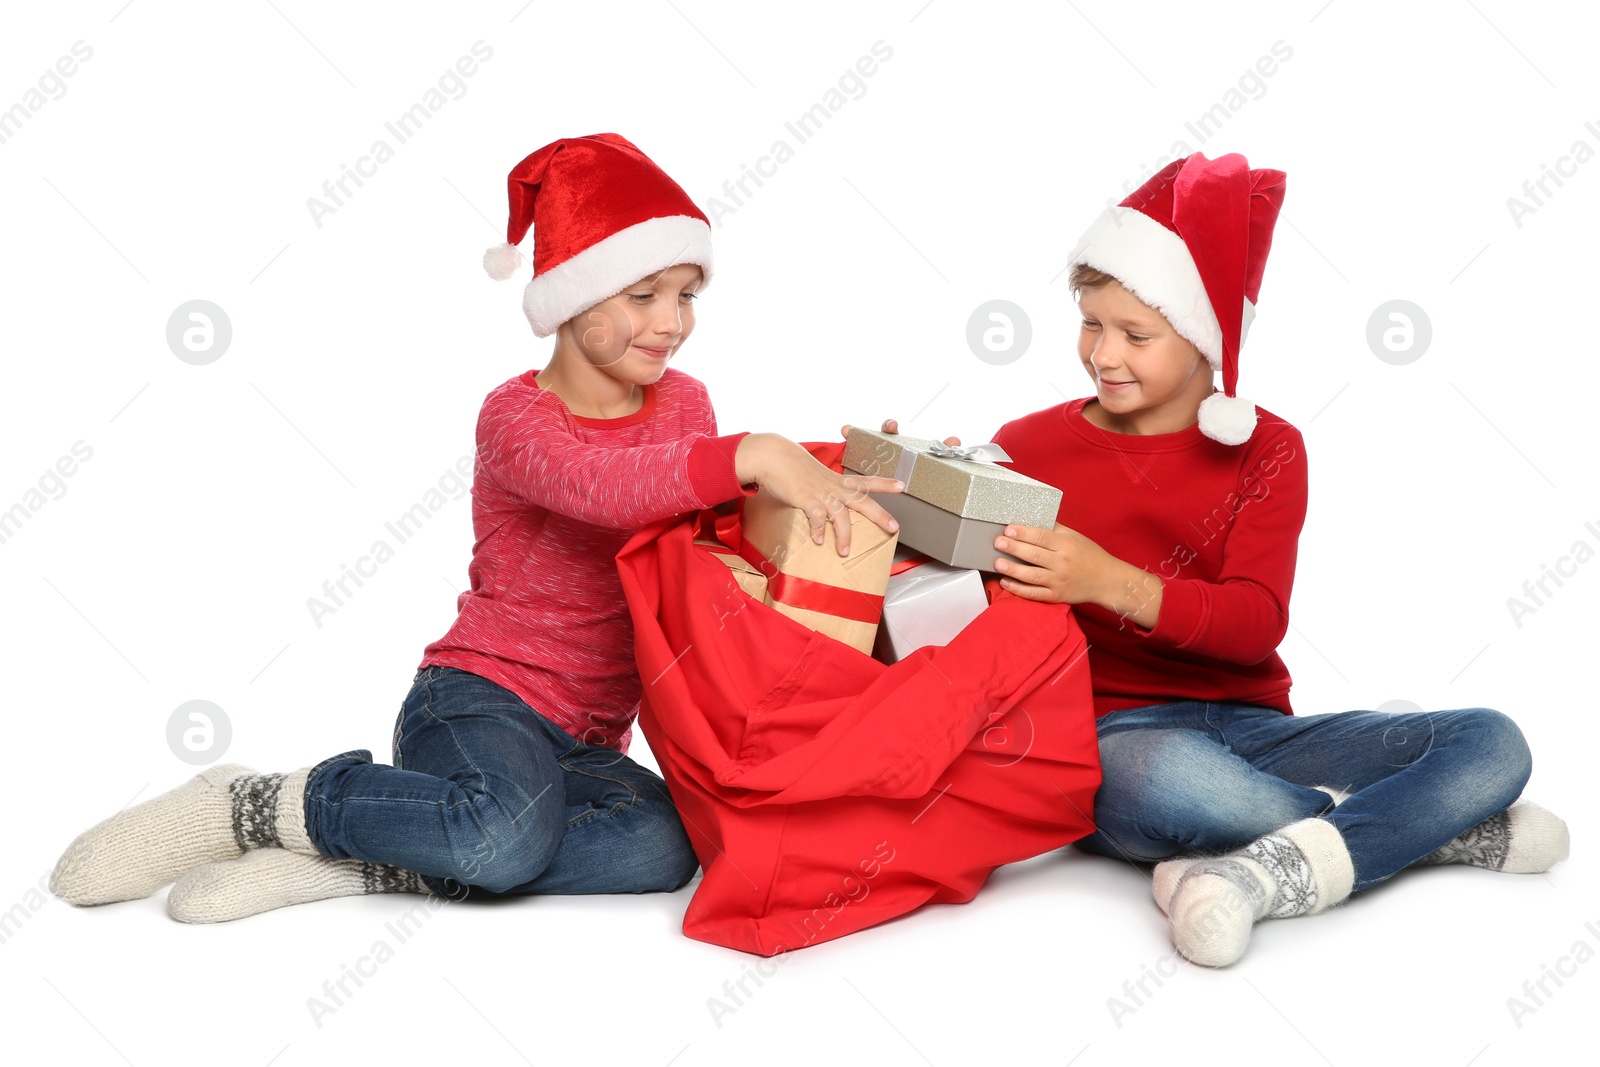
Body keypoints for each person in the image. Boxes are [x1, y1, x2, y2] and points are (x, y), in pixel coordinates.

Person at [49, 133, 903, 922]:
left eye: (686, 295)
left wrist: (830, 484)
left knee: (662, 845)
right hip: (478, 701)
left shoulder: (686, 403)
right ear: (570, 297)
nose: (672, 321)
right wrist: (753, 450)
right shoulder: (516, 418)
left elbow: (703, 530)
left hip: (587, 739)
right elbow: (605, 486)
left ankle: (377, 857)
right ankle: (257, 802)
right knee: (502, 835)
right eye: (643, 293)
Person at [978, 151, 1569, 966]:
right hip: (1116, 737)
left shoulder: (1269, 450)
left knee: (1494, 741)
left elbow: (1253, 626)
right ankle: (1422, 833)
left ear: (1203, 333)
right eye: (1090, 321)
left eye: (1136, 334)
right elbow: (972, 599)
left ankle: (1258, 864)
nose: (1104, 354)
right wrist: (920, 493)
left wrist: (1108, 581)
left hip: (1257, 731)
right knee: (1160, 778)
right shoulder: (1026, 446)